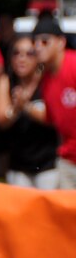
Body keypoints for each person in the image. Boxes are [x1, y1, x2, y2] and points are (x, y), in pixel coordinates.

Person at [0, 34, 59, 189]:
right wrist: (15, 109)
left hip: (48, 165)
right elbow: (0, 121)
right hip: (18, 166)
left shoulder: (48, 81)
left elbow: (54, 119)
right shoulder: (6, 81)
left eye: (29, 53)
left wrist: (26, 106)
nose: (22, 58)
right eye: (16, 53)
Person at [32, 17, 76, 189]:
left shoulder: (73, 64)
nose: (38, 46)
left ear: (61, 42)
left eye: (44, 41)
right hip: (67, 159)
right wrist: (24, 107)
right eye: (35, 42)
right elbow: (51, 118)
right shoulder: (46, 79)